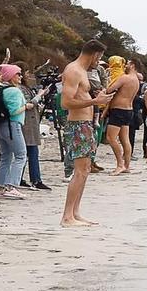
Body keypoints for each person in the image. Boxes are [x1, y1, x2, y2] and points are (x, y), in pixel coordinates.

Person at [59, 40, 113, 227]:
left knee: (86, 170)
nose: (99, 62)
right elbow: (65, 103)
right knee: (80, 171)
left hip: (86, 124)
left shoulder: (82, 71)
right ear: (95, 54)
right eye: (99, 58)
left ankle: (75, 212)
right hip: (78, 124)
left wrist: (97, 100)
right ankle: (67, 216)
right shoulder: (73, 70)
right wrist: (94, 102)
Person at [0, 63, 29, 197]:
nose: (20, 76)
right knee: (21, 155)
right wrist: (27, 106)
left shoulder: (1, 90)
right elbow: (14, 111)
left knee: (6, 157)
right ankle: (11, 186)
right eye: (18, 74)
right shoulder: (14, 91)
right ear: (11, 76)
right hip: (12, 126)